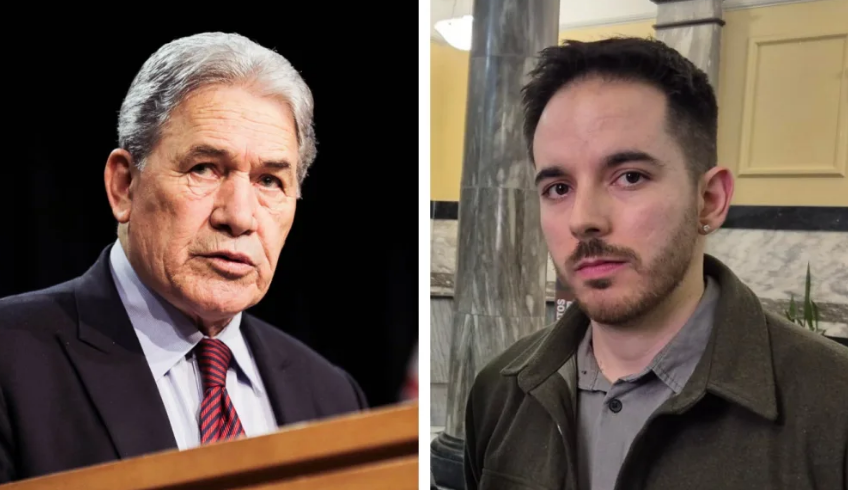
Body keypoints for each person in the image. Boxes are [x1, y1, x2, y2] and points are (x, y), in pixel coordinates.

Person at [463, 37, 848, 490]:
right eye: (558, 188)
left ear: (709, 200)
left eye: (629, 177)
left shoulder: (833, 406)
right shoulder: (499, 393)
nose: (584, 219)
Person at [0, 32, 367, 483]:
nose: (238, 216)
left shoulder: (332, 396)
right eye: (204, 168)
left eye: (269, 181)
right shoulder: (11, 357)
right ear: (123, 186)